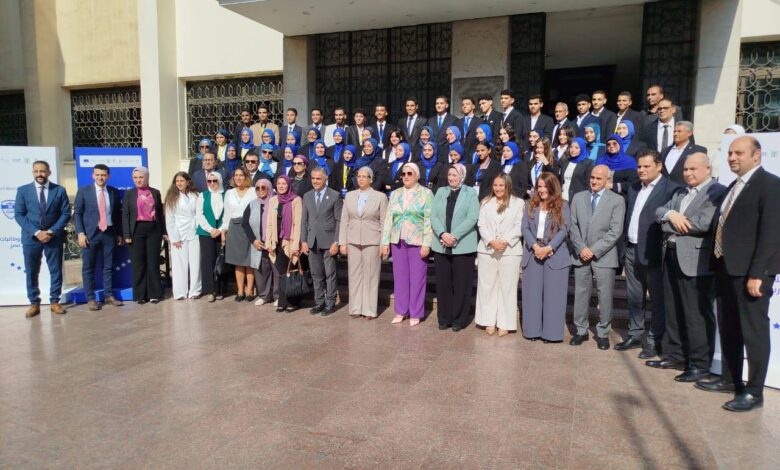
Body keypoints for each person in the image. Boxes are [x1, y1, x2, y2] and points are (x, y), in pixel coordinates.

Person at [700, 136, 780, 412]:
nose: (732, 157)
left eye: (739, 153)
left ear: (756, 155)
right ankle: (730, 379)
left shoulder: (770, 185)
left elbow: (771, 234)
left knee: (753, 332)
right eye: (730, 153)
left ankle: (754, 392)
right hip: (725, 269)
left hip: (751, 274)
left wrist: (759, 274)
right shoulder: (733, 186)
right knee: (730, 328)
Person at [647, 153, 726, 383]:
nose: (688, 173)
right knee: (673, 310)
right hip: (671, 256)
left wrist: (670, 222)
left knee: (696, 314)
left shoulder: (716, 191)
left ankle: (699, 364)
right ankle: (676, 356)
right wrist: (671, 214)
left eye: (693, 169)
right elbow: (659, 212)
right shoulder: (680, 192)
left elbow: (702, 223)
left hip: (695, 261)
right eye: (685, 169)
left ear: (707, 169)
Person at [616, 150, 679, 357]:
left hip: (653, 253)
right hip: (631, 248)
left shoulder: (671, 189)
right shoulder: (635, 187)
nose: (641, 170)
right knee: (634, 297)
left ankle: (654, 340)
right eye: (639, 166)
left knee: (657, 299)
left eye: (646, 166)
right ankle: (635, 334)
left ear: (659, 166)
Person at [569, 165, 626, 349]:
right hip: (581, 254)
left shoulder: (617, 200)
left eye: (598, 178)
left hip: (604, 255)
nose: (594, 181)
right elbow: (572, 226)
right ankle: (581, 330)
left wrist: (593, 250)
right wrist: (581, 248)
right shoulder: (579, 198)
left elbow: (615, 231)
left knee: (605, 295)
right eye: (592, 177)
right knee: (581, 293)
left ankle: (603, 333)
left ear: (607, 180)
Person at [15, 160, 71, 318]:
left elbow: (65, 213)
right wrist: (37, 232)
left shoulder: (59, 190)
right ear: (33, 172)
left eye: (42, 171)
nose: (39, 174)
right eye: (36, 171)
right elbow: (19, 215)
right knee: (31, 271)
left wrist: (51, 232)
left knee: (55, 270)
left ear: (49, 172)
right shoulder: (23, 191)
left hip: (53, 238)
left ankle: (55, 301)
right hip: (31, 238)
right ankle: (34, 303)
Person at [381, 163, 433, 327]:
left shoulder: (426, 193)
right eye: (403, 174)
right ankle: (401, 310)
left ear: (417, 175)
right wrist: (385, 241)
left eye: (409, 173)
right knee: (400, 277)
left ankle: (415, 312)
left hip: (417, 241)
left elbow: (429, 221)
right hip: (398, 241)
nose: (406, 176)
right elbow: (388, 219)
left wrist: (427, 244)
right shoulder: (395, 193)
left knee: (417, 278)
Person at [521, 172, 571, 341]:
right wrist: (536, 247)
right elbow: (525, 228)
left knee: (554, 296)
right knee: (532, 295)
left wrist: (549, 247)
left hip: (555, 254)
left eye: (545, 186)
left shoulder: (563, 205)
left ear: (552, 187)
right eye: (539, 186)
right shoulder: (530, 204)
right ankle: (532, 331)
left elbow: (564, 229)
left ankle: (552, 334)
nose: (541, 190)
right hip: (533, 252)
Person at [431, 164, 479, 331]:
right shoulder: (440, 191)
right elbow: (433, 216)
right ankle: (444, 318)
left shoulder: (470, 192)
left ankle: (459, 319)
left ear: (462, 176)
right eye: (449, 175)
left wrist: (454, 236)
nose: (451, 178)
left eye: (455, 175)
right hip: (441, 244)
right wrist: (443, 234)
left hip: (463, 245)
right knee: (443, 283)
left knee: (461, 285)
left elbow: (472, 218)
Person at [475, 173, 524, 336]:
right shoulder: (486, 202)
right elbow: (481, 224)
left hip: (510, 251)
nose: (498, 188)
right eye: (495, 185)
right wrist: (491, 241)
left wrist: (505, 241)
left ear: (507, 185)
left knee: (507, 287)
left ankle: (505, 323)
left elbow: (519, 226)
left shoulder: (518, 203)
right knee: (487, 286)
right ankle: (488, 320)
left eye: (501, 185)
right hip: (487, 250)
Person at [337, 166, 387, 319]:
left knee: (371, 276)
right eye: (359, 176)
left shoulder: (380, 197)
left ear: (371, 179)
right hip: (352, 240)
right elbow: (344, 220)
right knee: (354, 275)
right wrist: (342, 242)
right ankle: (355, 308)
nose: (361, 179)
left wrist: (384, 243)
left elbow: (384, 221)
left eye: (364, 176)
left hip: (372, 240)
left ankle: (369, 309)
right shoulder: (350, 196)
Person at [73, 163, 124, 311]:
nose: (100, 177)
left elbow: (116, 215)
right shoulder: (84, 191)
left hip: (109, 233)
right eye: (97, 175)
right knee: (88, 267)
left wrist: (119, 233)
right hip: (90, 235)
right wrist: (80, 233)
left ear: (108, 176)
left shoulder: (113, 192)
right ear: (93, 175)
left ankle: (108, 295)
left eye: (103, 175)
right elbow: (77, 213)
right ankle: (91, 298)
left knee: (108, 266)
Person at [301, 168, 342, 315]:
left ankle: (330, 303)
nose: (315, 181)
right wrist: (303, 240)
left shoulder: (335, 195)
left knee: (330, 274)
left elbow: (339, 220)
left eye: (318, 178)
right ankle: (319, 302)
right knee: (316, 274)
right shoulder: (307, 196)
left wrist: (336, 241)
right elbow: (304, 220)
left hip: (329, 241)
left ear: (325, 179)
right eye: (313, 178)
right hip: (312, 241)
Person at [122, 167, 165, 304]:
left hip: (153, 230)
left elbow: (160, 213)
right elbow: (125, 214)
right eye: (135, 178)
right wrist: (127, 234)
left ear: (146, 177)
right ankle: (140, 295)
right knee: (138, 264)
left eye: (141, 177)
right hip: (136, 230)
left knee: (153, 263)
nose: (138, 180)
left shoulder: (155, 192)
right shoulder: (129, 194)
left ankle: (154, 294)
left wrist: (163, 231)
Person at [267, 175, 303, 312]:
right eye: (279, 183)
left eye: (284, 184)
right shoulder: (273, 200)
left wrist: (296, 245)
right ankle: (283, 301)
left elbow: (298, 224)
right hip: (277, 241)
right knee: (282, 273)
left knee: (291, 272)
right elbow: (269, 223)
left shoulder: (296, 200)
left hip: (290, 242)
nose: (281, 186)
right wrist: (269, 242)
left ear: (289, 185)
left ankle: (293, 302)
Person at [164, 171, 201, 300]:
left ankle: (195, 290)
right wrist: (174, 238)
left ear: (188, 182)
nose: (179, 183)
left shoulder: (196, 195)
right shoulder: (171, 198)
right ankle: (180, 292)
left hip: (195, 231)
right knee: (179, 264)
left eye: (182, 181)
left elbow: (199, 213)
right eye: (177, 181)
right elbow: (170, 219)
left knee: (196, 263)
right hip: (179, 233)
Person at [223, 167, 257, 302]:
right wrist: (224, 231)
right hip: (234, 228)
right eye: (236, 175)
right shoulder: (229, 193)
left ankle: (250, 290)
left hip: (248, 227)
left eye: (241, 175)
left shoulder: (253, 191)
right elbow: (227, 213)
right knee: (238, 261)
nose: (238, 178)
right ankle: (240, 290)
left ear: (247, 177)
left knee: (248, 261)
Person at [242, 178, 278, 307]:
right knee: (262, 271)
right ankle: (264, 295)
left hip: (274, 243)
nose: (260, 190)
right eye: (257, 188)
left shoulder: (276, 202)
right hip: (259, 244)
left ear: (269, 188)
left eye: (264, 187)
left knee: (276, 270)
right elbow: (245, 223)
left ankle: (277, 296)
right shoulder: (252, 204)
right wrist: (253, 240)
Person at [196, 171, 225, 302]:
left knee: (221, 260)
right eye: (209, 181)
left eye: (215, 181)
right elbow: (199, 214)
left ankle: (220, 289)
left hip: (221, 232)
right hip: (206, 233)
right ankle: (210, 290)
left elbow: (228, 213)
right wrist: (210, 229)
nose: (212, 183)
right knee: (208, 261)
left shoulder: (226, 194)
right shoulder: (203, 195)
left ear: (220, 181)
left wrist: (220, 229)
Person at [660, 121, 706, 186]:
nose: (675, 134)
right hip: (665, 187)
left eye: (679, 131)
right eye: (674, 131)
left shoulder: (698, 150)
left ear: (689, 133)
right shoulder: (665, 151)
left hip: (685, 188)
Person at [558, 137, 594, 202]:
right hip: (562, 198)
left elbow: (588, 185)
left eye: (576, 148)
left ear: (582, 149)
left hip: (577, 200)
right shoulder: (565, 162)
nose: (573, 150)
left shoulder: (587, 163)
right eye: (571, 147)